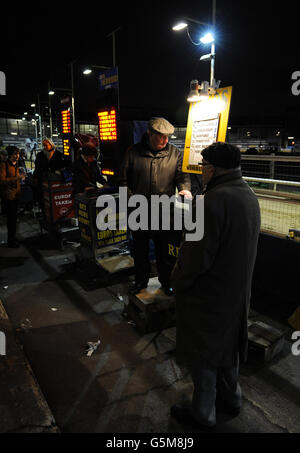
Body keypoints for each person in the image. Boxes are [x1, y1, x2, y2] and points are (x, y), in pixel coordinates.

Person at [170, 142, 261, 430]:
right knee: (227, 349)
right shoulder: (248, 196)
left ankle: (203, 412)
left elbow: (195, 258)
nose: (202, 173)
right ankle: (232, 398)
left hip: (209, 296)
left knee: (204, 353)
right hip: (237, 293)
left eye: (204, 167)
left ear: (213, 168)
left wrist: (177, 281)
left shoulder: (209, 203)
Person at [119, 117, 192, 296]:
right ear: (149, 134)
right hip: (139, 211)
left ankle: (167, 283)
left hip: (165, 213)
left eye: (167, 137)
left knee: (165, 253)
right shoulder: (132, 152)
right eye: (160, 136)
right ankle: (140, 282)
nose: (165, 141)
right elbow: (122, 181)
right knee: (140, 251)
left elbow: (182, 177)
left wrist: (184, 189)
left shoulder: (175, 153)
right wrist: (130, 201)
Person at [0, 146, 26, 247]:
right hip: (9, 196)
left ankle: (13, 238)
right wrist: (16, 178)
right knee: (11, 220)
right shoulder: (4, 165)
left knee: (14, 219)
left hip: (16, 195)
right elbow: (2, 181)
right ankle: (11, 241)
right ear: (10, 155)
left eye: (18, 154)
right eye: (15, 154)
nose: (17, 156)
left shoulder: (17, 164)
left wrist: (22, 179)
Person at [33, 138, 65, 209]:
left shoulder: (58, 154)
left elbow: (62, 166)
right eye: (43, 145)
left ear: (51, 145)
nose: (44, 147)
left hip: (55, 181)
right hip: (43, 180)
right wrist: (35, 178)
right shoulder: (40, 155)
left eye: (46, 145)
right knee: (44, 199)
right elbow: (37, 167)